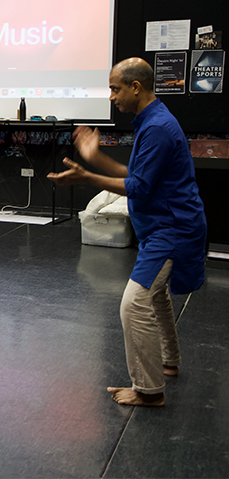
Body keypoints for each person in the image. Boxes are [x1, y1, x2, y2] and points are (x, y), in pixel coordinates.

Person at [48, 57, 207, 407]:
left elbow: (138, 187)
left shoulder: (159, 128)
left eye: (114, 88)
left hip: (172, 228)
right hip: (163, 225)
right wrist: (95, 157)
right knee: (156, 296)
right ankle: (168, 361)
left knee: (134, 305)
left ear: (136, 87)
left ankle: (149, 391)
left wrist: (87, 177)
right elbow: (133, 173)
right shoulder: (151, 121)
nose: (111, 97)